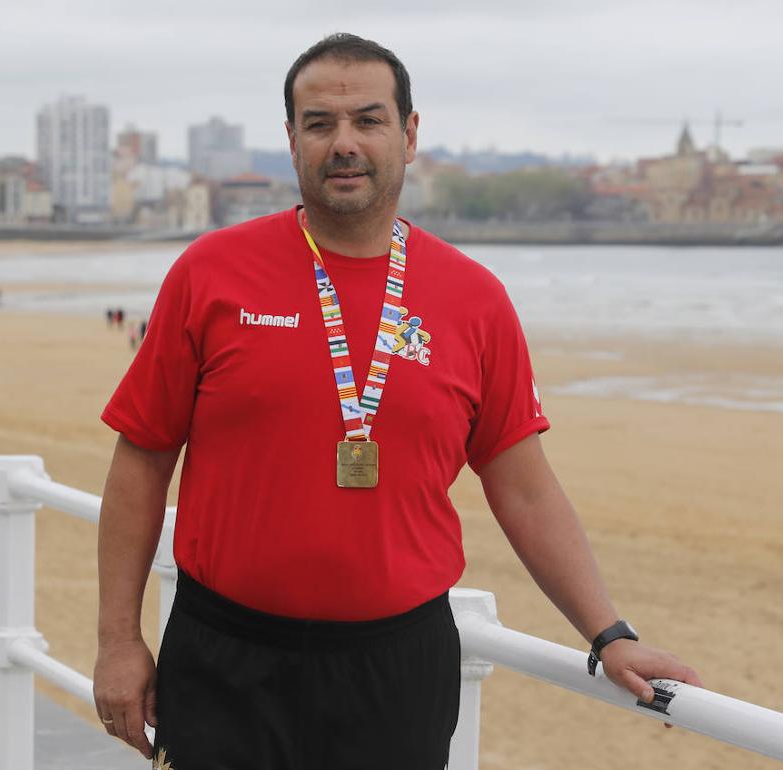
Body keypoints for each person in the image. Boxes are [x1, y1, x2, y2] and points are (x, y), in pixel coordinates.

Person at [95, 33, 701, 770]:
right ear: (291, 141)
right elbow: (141, 460)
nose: (344, 143)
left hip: (396, 666)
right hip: (226, 656)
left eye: (369, 121)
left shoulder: (475, 301)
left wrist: (609, 633)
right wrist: (118, 641)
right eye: (319, 123)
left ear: (409, 135)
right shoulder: (210, 274)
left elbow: (525, 488)